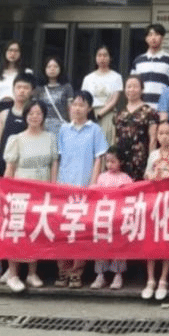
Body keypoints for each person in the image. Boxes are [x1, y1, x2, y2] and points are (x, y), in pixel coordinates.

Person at [0, 72, 36, 286]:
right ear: (13, 90)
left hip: (23, 174)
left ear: (31, 91)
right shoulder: (3, 114)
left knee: (19, 221)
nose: (22, 91)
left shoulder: (34, 115)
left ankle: (14, 269)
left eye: (26, 88)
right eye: (19, 87)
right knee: (0, 219)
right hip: (3, 170)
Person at [1, 100, 58, 293]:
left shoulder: (50, 138)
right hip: (20, 189)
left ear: (44, 116)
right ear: (25, 116)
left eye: (38, 113)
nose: (34, 117)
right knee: (17, 231)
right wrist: (6, 191)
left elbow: (54, 164)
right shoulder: (16, 139)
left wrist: (53, 187)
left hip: (42, 188)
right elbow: (10, 168)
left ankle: (32, 273)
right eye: (31, 113)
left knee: (36, 230)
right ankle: (13, 274)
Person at [55, 90, 108, 288]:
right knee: (63, 230)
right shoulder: (63, 130)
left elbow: (99, 158)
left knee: (81, 230)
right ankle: (63, 270)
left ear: (89, 108)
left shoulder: (95, 130)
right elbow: (58, 158)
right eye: (75, 104)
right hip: (64, 186)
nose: (77, 108)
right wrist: (56, 183)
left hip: (85, 187)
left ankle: (77, 271)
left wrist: (92, 185)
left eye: (81, 105)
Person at [142, 120, 169, 300]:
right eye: (161, 133)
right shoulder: (153, 154)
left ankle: (163, 279)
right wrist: (151, 175)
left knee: (167, 240)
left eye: (168, 133)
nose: (164, 137)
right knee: (152, 240)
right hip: (154, 202)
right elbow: (146, 174)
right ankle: (150, 279)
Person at [90, 146, 133, 291]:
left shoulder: (125, 178)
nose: (110, 164)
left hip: (118, 218)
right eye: (108, 161)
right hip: (103, 218)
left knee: (118, 245)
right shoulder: (102, 177)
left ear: (120, 162)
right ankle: (100, 275)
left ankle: (118, 274)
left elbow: (130, 196)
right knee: (101, 245)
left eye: (113, 161)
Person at [113, 75, 159, 181]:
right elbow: (116, 137)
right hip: (121, 160)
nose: (131, 90)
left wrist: (151, 163)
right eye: (128, 87)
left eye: (135, 86)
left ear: (142, 90)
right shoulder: (119, 113)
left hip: (140, 160)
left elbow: (153, 139)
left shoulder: (149, 112)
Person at [81, 45, 124, 145]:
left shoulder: (116, 77)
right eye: (99, 55)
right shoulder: (88, 78)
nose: (102, 58)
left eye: (105, 55)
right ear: (95, 58)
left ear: (110, 58)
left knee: (106, 145)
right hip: (90, 114)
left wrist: (100, 114)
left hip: (108, 114)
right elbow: (84, 99)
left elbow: (114, 100)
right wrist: (91, 115)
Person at [130, 24, 169, 110]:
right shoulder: (138, 61)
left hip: (162, 110)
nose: (153, 38)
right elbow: (132, 86)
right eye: (150, 35)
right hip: (140, 110)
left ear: (162, 38)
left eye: (156, 34)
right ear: (146, 39)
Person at [0, 40, 30, 111]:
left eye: (16, 51)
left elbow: (29, 96)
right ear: (5, 52)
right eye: (10, 50)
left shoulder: (27, 72)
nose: (13, 53)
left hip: (19, 109)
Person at [38, 55, 73, 135]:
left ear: (60, 68)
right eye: (49, 67)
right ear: (44, 69)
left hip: (61, 127)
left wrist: (72, 125)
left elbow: (70, 108)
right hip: (43, 126)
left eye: (55, 66)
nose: (52, 69)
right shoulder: (39, 89)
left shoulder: (67, 87)